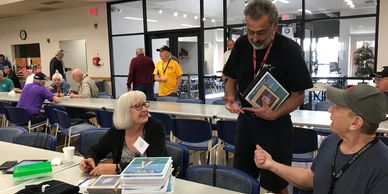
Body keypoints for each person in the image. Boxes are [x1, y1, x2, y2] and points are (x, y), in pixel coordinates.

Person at [222, 0, 313, 193]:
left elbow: (299, 95)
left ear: (274, 26)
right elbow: (231, 77)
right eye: (250, 31)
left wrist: (274, 114)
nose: (254, 38)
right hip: (246, 123)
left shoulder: (289, 49)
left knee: (277, 183)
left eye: (261, 32)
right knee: (242, 180)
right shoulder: (241, 44)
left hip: (275, 127)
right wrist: (230, 97)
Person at [254, 84, 388, 194]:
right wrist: (271, 164)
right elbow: (312, 179)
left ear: (355, 123)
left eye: (337, 107)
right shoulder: (332, 141)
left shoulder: (382, 167)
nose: (330, 110)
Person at [79, 91, 167, 175]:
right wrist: (89, 159)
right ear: (125, 111)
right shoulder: (117, 131)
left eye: (145, 105)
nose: (144, 109)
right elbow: (94, 150)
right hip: (121, 183)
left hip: (149, 182)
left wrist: (118, 168)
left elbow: (155, 163)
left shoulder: (155, 127)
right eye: (138, 106)